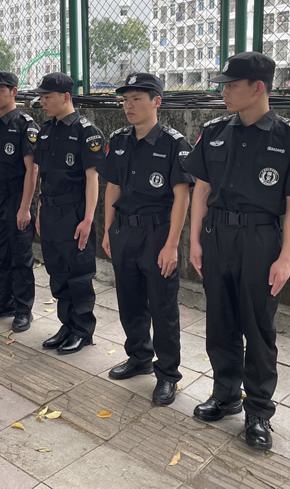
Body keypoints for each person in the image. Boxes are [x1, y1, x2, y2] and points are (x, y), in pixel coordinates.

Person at [183, 52, 290, 450]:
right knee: (220, 321)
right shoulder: (214, 131)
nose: (224, 92)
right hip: (217, 236)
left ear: (258, 87)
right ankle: (225, 394)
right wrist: (195, 241)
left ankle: (258, 411)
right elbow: (202, 189)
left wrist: (286, 258)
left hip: (260, 241)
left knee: (258, 329)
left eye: (231, 85)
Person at [99, 72, 193, 406]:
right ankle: (139, 356)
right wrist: (108, 230)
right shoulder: (119, 140)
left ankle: (167, 374)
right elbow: (112, 186)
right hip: (125, 230)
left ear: (156, 102)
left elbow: (182, 197)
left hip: (157, 234)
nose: (129, 106)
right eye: (126, 100)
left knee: (162, 305)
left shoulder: (174, 144)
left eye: (137, 99)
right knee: (130, 299)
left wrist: (172, 245)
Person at [33, 72, 104, 354]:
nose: (42, 102)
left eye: (47, 96)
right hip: (50, 211)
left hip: (74, 212)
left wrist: (88, 219)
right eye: (41, 97)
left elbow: (92, 179)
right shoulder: (46, 130)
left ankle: (83, 330)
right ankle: (67, 324)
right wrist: (40, 209)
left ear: (65, 97)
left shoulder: (87, 132)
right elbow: (43, 176)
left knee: (79, 274)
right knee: (58, 272)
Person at [0, 71, 39, 332]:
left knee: (20, 256)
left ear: (14, 92)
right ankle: (3, 303)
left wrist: (25, 208)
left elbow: (32, 170)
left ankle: (23, 310)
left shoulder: (25, 125)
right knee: (0, 253)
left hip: (16, 198)